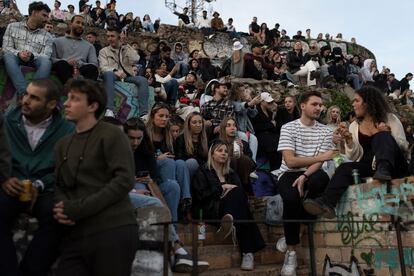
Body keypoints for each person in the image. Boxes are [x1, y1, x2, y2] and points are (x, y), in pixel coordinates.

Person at [53, 79, 138, 276]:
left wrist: (78, 208)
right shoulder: (62, 145)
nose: (66, 103)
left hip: (112, 230)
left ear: (92, 106)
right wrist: (61, 207)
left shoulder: (111, 135)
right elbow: (59, 184)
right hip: (76, 234)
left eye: (74, 99)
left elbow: (124, 180)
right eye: (67, 98)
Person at [0, 79, 74, 276]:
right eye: (26, 95)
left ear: (51, 104)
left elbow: (65, 168)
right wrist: (4, 178)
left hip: (45, 188)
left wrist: (41, 184)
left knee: (58, 217)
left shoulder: (66, 130)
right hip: (11, 184)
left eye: (34, 98)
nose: (25, 101)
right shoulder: (8, 121)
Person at [304, 86, 409, 219]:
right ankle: (327, 202)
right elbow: (353, 156)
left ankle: (384, 167)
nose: (353, 104)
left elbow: (404, 146)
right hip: (372, 166)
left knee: (381, 136)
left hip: (394, 165)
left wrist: (388, 133)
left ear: (368, 102)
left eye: (357, 101)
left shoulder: (390, 119)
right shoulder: (354, 126)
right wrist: (349, 140)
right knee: (344, 168)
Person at [124, 118, 209, 272]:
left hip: (146, 185)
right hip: (129, 189)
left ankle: (172, 237)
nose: (135, 142)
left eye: (139, 138)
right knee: (145, 193)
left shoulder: (145, 149)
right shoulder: (118, 150)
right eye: (131, 138)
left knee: (173, 186)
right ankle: (176, 248)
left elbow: (154, 178)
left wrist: (149, 181)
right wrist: (132, 184)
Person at [277, 91, 336, 276]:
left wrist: (304, 176)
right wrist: (321, 157)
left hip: (312, 173)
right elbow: (290, 161)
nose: (319, 108)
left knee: (321, 180)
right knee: (292, 198)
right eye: (314, 104)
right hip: (288, 173)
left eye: (320, 105)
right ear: (302, 106)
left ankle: (294, 235)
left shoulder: (326, 130)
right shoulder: (288, 128)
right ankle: (291, 253)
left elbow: (319, 164)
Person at [192, 140, 265, 271]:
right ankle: (248, 253)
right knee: (241, 207)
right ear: (212, 154)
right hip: (210, 209)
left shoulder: (231, 173)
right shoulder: (203, 171)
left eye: (226, 151)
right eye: (219, 151)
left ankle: (227, 226)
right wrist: (222, 188)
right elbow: (200, 196)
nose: (223, 154)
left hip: (231, 210)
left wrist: (229, 192)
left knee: (238, 195)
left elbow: (240, 193)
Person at [146, 103, 192, 218]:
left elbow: (172, 154)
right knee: (168, 162)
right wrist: (157, 158)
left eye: (166, 116)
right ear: (152, 116)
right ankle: (173, 190)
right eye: (161, 116)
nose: (164, 119)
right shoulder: (145, 133)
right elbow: (143, 159)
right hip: (152, 173)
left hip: (167, 168)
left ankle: (185, 200)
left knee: (180, 163)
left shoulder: (167, 133)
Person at [2, 1, 52, 96]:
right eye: (44, 15)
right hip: (16, 57)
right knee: (8, 56)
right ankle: (24, 92)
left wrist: (32, 55)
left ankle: (32, 91)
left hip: (35, 60)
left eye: (47, 16)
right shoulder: (12, 26)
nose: (47, 19)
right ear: (34, 13)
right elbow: (6, 47)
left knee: (47, 62)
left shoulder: (48, 36)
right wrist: (19, 53)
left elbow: (46, 55)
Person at [99, 27, 150, 118]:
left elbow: (136, 59)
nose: (110, 39)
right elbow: (103, 67)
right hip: (112, 75)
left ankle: (144, 114)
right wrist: (115, 71)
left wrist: (125, 44)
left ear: (119, 36)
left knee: (142, 80)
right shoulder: (103, 51)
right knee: (108, 74)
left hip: (127, 76)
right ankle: (109, 110)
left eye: (112, 36)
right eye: (108, 36)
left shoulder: (126, 48)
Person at [52, 15, 99, 84]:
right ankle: (71, 88)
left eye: (83, 24)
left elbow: (94, 64)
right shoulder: (56, 41)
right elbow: (52, 58)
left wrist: (79, 63)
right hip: (63, 68)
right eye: (78, 22)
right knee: (61, 64)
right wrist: (66, 61)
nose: (80, 25)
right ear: (71, 24)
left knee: (92, 69)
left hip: (81, 69)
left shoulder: (89, 46)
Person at [218, 117, 256, 194]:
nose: (232, 128)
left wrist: (242, 152)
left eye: (234, 125)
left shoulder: (243, 143)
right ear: (223, 128)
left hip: (242, 177)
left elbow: (253, 165)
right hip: (224, 174)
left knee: (242, 158)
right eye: (228, 125)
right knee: (235, 160)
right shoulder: (217, 143)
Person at [251, 92, 282, 171]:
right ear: (262, 102)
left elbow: (275, 126)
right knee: (272, 145)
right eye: (268, 102)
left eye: (271, 102)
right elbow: (256, 127)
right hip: (260, 136)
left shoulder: (270, 112)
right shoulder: (255, 111)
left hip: (271, 135)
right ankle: (274, 169)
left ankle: (278, 169)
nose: (270, 103)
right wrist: (270, 125)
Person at [175, 112, 208, 179]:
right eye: (194, 122)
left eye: (200, 122)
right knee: (191, 163)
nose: (198, 125)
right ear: (188, 124)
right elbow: (179, 158)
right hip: (187, 171)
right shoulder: (181, 139)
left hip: (202, 171)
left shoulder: (206, 138)